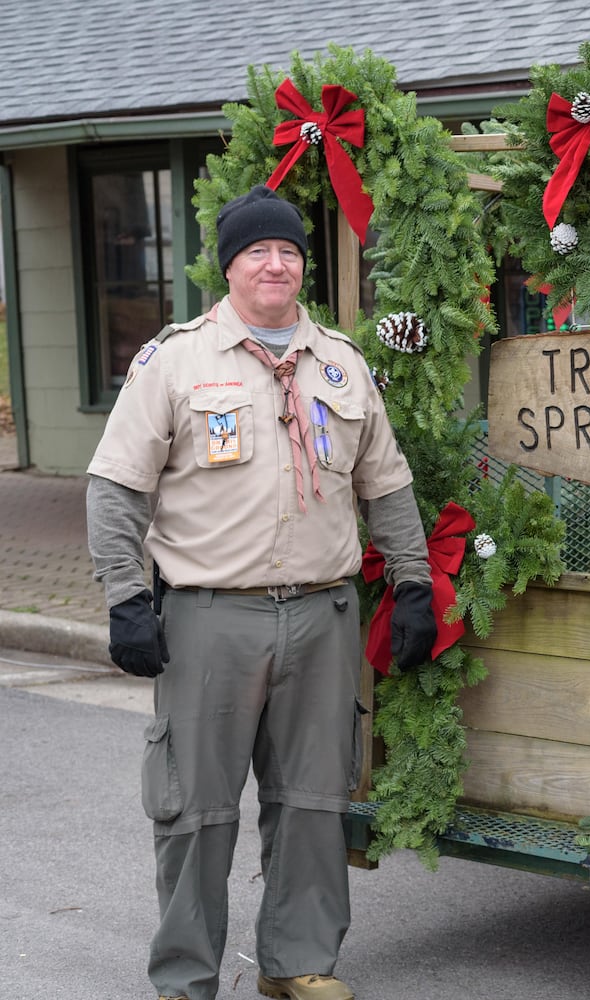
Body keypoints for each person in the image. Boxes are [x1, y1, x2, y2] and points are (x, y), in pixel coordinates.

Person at [86, 185, 439, 1000]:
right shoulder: (174, 360)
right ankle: (185, 977)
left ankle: (298, 962)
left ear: (302, 267)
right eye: (257, 252)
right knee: (195, 813)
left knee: (315, 803)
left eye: (288, 252)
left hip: (325, 616)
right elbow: (115, 489)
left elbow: (387, 487)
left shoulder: (342, 364)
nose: (275, 263)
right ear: (230, 267)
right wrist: (125, 599)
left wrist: (412, 582)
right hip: (211, 619)